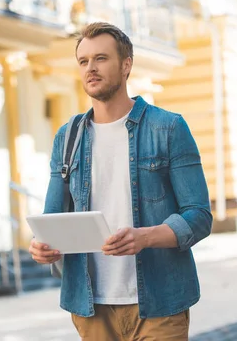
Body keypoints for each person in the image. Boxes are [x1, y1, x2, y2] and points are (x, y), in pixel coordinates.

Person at [29, 22, 212, 340]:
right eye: (83, 61)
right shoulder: (67, 137)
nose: (90, 68)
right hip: (91, 306)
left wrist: (146, 237)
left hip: (160, 301)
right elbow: (52, 219)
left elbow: (199, 217)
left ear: (126, 65)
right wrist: (42, 247)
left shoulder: (168, 128)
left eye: (100, 58)